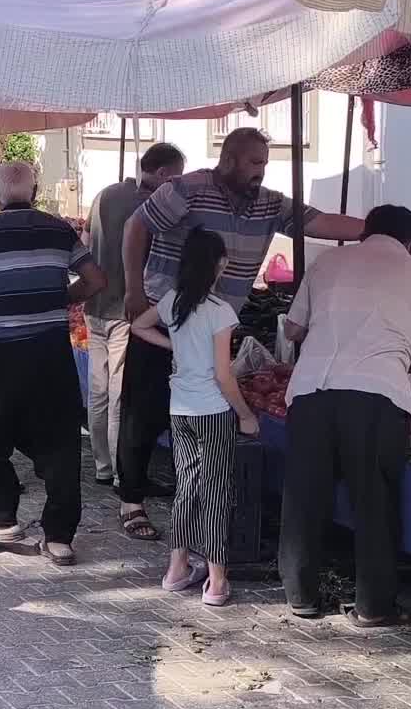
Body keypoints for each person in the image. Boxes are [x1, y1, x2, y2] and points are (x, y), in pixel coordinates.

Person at [117, 128, 365, 542]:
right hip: (165, 314)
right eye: (254, 163)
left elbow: (318, 222)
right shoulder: (186, 188)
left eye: (265, 163)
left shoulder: (268, 203)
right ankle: (131, 500)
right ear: (229, 160)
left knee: (200, 410)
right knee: (144, 410)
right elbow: (135, 227)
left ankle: (189, 496)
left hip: (217, 324)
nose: (261, 172)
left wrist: (377, 227)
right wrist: (133, 290)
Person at [281, 205, 411, 625]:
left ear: (363, 232)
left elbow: (293, 330)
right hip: (376, 397)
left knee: (304, 496)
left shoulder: (326, 262)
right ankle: (373, 607)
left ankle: (301, 596)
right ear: (410, 240)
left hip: (311, 391)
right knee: (374, 501)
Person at [0, 162, 105, 565]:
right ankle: (60, 539)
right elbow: (96, 280)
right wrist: (59, 299)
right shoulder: (59, 228)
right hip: (52, 352)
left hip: (0, 352)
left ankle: (4, 524)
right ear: (34, 189)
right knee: (62, 443)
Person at [129, 228, 257, 606]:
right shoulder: (220, 312)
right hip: (213, 412)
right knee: (215, 491)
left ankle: (176, 568)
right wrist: (246, 415)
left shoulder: (173, 301)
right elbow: (223, 375)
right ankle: (217, 580)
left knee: (186, 485)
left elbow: (138, 325)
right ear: (218, 265)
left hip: (179, 409)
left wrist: (174, 344)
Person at [85, 143, 186, 486]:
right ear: (162, 173)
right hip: (126, 309)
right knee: (119, 395)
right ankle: (120, 472)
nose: (178, 185)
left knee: (97, 393)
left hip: (93, 305)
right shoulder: (151, 206)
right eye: (177, 177)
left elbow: (86, 241)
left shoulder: (104, 194)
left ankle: (101, 465)